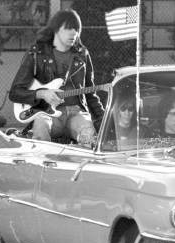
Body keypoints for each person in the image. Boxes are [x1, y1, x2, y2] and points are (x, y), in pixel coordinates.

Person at [9, 9, 104, 143]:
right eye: (68, 28)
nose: (74, 33)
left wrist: (103, 119)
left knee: (88, 135)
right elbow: (15, 93)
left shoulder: (82, 55)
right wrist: (42, 94)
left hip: (76, 113)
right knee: (41, 129)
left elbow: (90, 93)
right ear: (56, 30)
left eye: (76, 29)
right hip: (46, 114)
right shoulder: (37, 54)